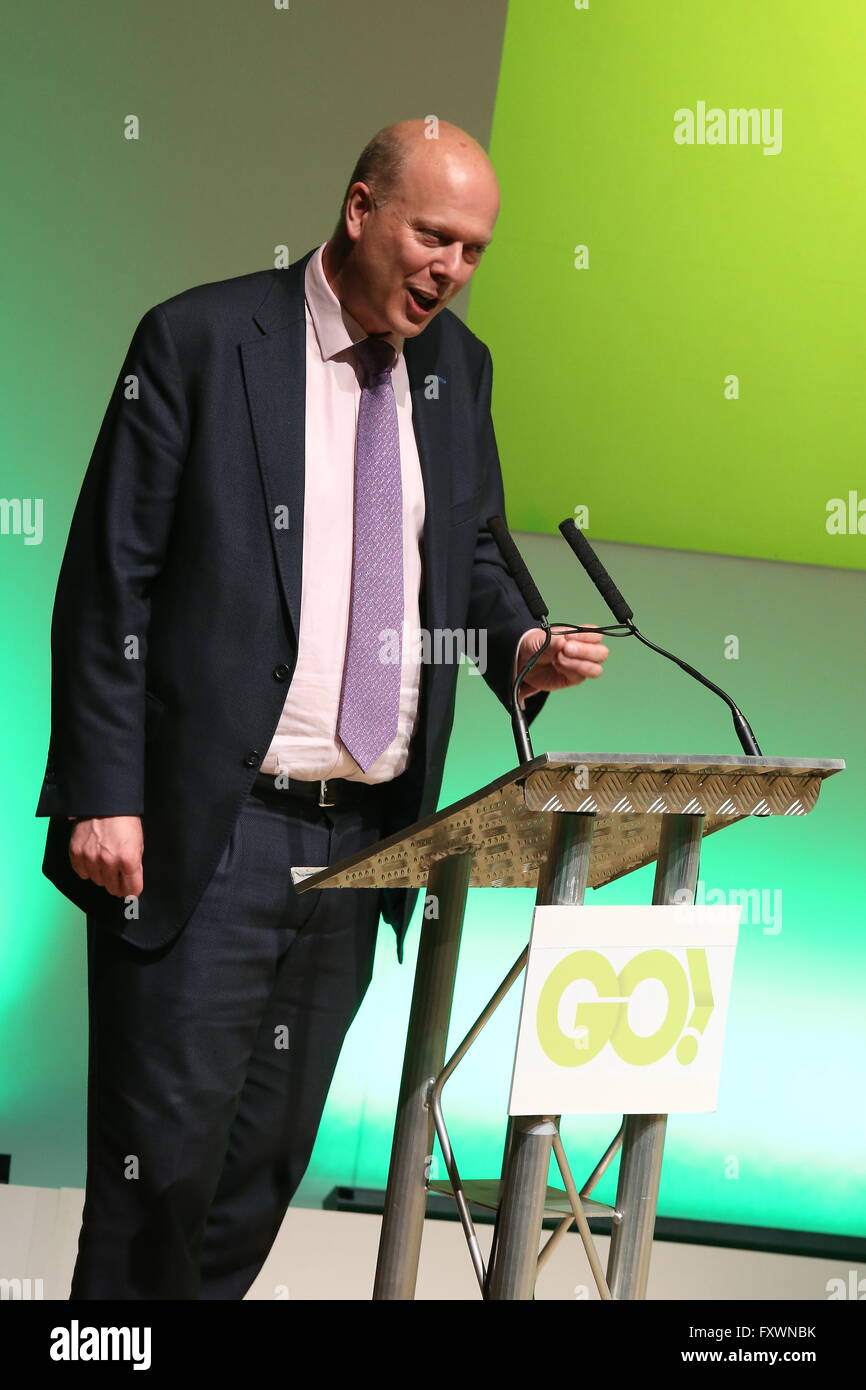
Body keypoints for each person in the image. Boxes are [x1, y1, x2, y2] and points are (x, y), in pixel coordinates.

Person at [35, 118, 610, 1299]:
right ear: (358, 212)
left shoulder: (458, 371)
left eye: (474, 250)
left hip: (366, 845)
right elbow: (110, 581)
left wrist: (522, 644)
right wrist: (103, 792)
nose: (449, 268)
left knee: (257, 1172)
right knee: (161, 1177)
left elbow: (472, 558)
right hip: (209, 833)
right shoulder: (199, 340)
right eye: (431, 236)